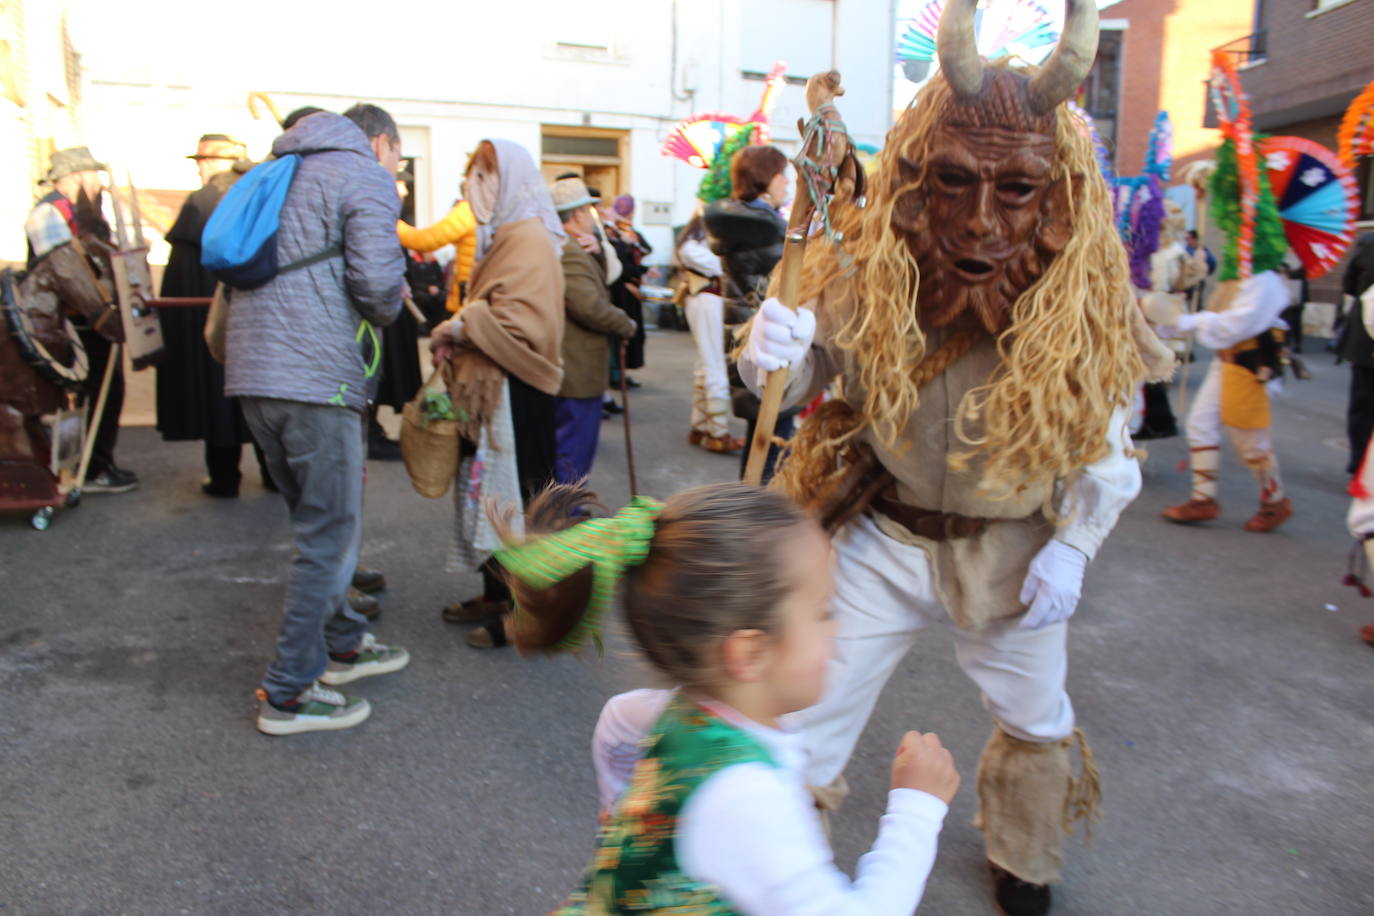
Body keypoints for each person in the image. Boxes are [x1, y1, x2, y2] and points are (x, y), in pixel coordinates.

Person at [738, 7, 1169, 912]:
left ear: (1057, 199)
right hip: (883, 538)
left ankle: (1025, 848)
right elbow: (812, 358)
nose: (978, 224)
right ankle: (777, 876)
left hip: (1013, 552)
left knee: (1036, 718)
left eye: (1014, 190)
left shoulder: (1080, 301)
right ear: (914, 180)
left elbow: (1105, 435)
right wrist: (770, 346)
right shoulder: (873, 270)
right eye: (954, 181)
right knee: (803, 723)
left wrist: (1074, 545)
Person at [491, 482, 959, 914]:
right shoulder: (746, 799)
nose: (837, 630)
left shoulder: (674, 711)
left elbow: (616, 724)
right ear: (750, 652)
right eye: (822, 612)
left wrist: (621, 816)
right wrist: (916, 809)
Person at [225, 108, 409, 735]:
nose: (396, 168)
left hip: (253, 375)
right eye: (399, 156)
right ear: (380, 142)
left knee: (316, 527)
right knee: (327, 538)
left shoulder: (276, 169)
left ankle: (343, 643)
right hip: (315, 378)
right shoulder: (362, 175)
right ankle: (288, 691)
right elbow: (380, 286)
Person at [428, 139, 565, 649]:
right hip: (494, 391)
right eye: (473, 174)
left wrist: (459, 328)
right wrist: (462, 327)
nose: (476, 186)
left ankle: (527, 613)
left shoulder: (527, 237)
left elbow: (521, 321)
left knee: (518, 502)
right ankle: (496, 593)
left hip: (519, 390)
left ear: (511, 179)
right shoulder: (503, 233)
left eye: (486, 175)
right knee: (490, 495)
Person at [1159, 186, 1295, 532]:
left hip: (1250, 364)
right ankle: (1203, 498)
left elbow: (1238, 323)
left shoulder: (1264, 279)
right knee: (1200, 424)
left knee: (1249, 437)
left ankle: (1275, 501)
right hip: (1229, 361)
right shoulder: (1246, 274)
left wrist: (1187, 321)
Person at [155, 133, 275, 498]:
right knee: (262, 397)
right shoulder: (264, 195)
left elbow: (181, 275)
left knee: (218, 397)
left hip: (215, 320)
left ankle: (225, 478)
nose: (200, 169)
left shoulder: (203, 201)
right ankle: (273, 476)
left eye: (202, 161)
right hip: (260, 320)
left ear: (211, 163)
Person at [24, 146, 138, 494]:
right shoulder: (49, 214)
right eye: (93, 176)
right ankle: (90, 469)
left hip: (91, 320)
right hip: (72, 323)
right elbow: (67, 275)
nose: (97, 183)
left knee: (105, 391)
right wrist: (103, 315)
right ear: (76, 176)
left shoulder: (81, 215)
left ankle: (94, 463)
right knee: (84, 395)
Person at [703, 144, 794, 481]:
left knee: (761, 442)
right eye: (781, 174)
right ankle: (759, 523)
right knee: (774, 444)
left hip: (749, 343)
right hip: (771, 346)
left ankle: (750, 514)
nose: (787, 182)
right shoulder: (767, 229)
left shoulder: (743, 222)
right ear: (764, 179)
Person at [549, 176, 636, 485]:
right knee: (574, 447)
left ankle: (565, 507)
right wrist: (625, 324)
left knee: (572, 445)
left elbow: (605, 279)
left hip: (574, 365)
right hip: (577, 366)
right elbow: (588, 306)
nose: (594, 217)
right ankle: (564, 512)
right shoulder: (570, 251)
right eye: (590, 211)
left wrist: (599, 250)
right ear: (577, 214)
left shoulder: (572, 246)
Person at [677, 208, 744, 452]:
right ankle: (718, 431)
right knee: (714, 364)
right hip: (708, 302)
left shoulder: (699, 242)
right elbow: (725, 266)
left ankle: (701, 426)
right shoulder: (694, 246)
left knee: (706, 365)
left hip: (709, 302)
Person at [397, 198, 478, 318]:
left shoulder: (470, 211)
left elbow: (425, 241)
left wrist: (392, 223)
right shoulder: (506, 208)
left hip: (467, 298)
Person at [604, 194, 651, 377]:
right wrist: (629, 281)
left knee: (632, 335)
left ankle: (623, 373)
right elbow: (617, 265)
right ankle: (616, 375)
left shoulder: (628, 231)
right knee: (619, 336)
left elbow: (646, 248)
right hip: (620, 291)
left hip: (630, 287)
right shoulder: (610, 233)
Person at [1341, 232, 1374, 474]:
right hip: (1365, 339)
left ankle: (1359, 462)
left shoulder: (1369, 241)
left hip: (1366, 338)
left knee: (1362, 404)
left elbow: (1349, 285)